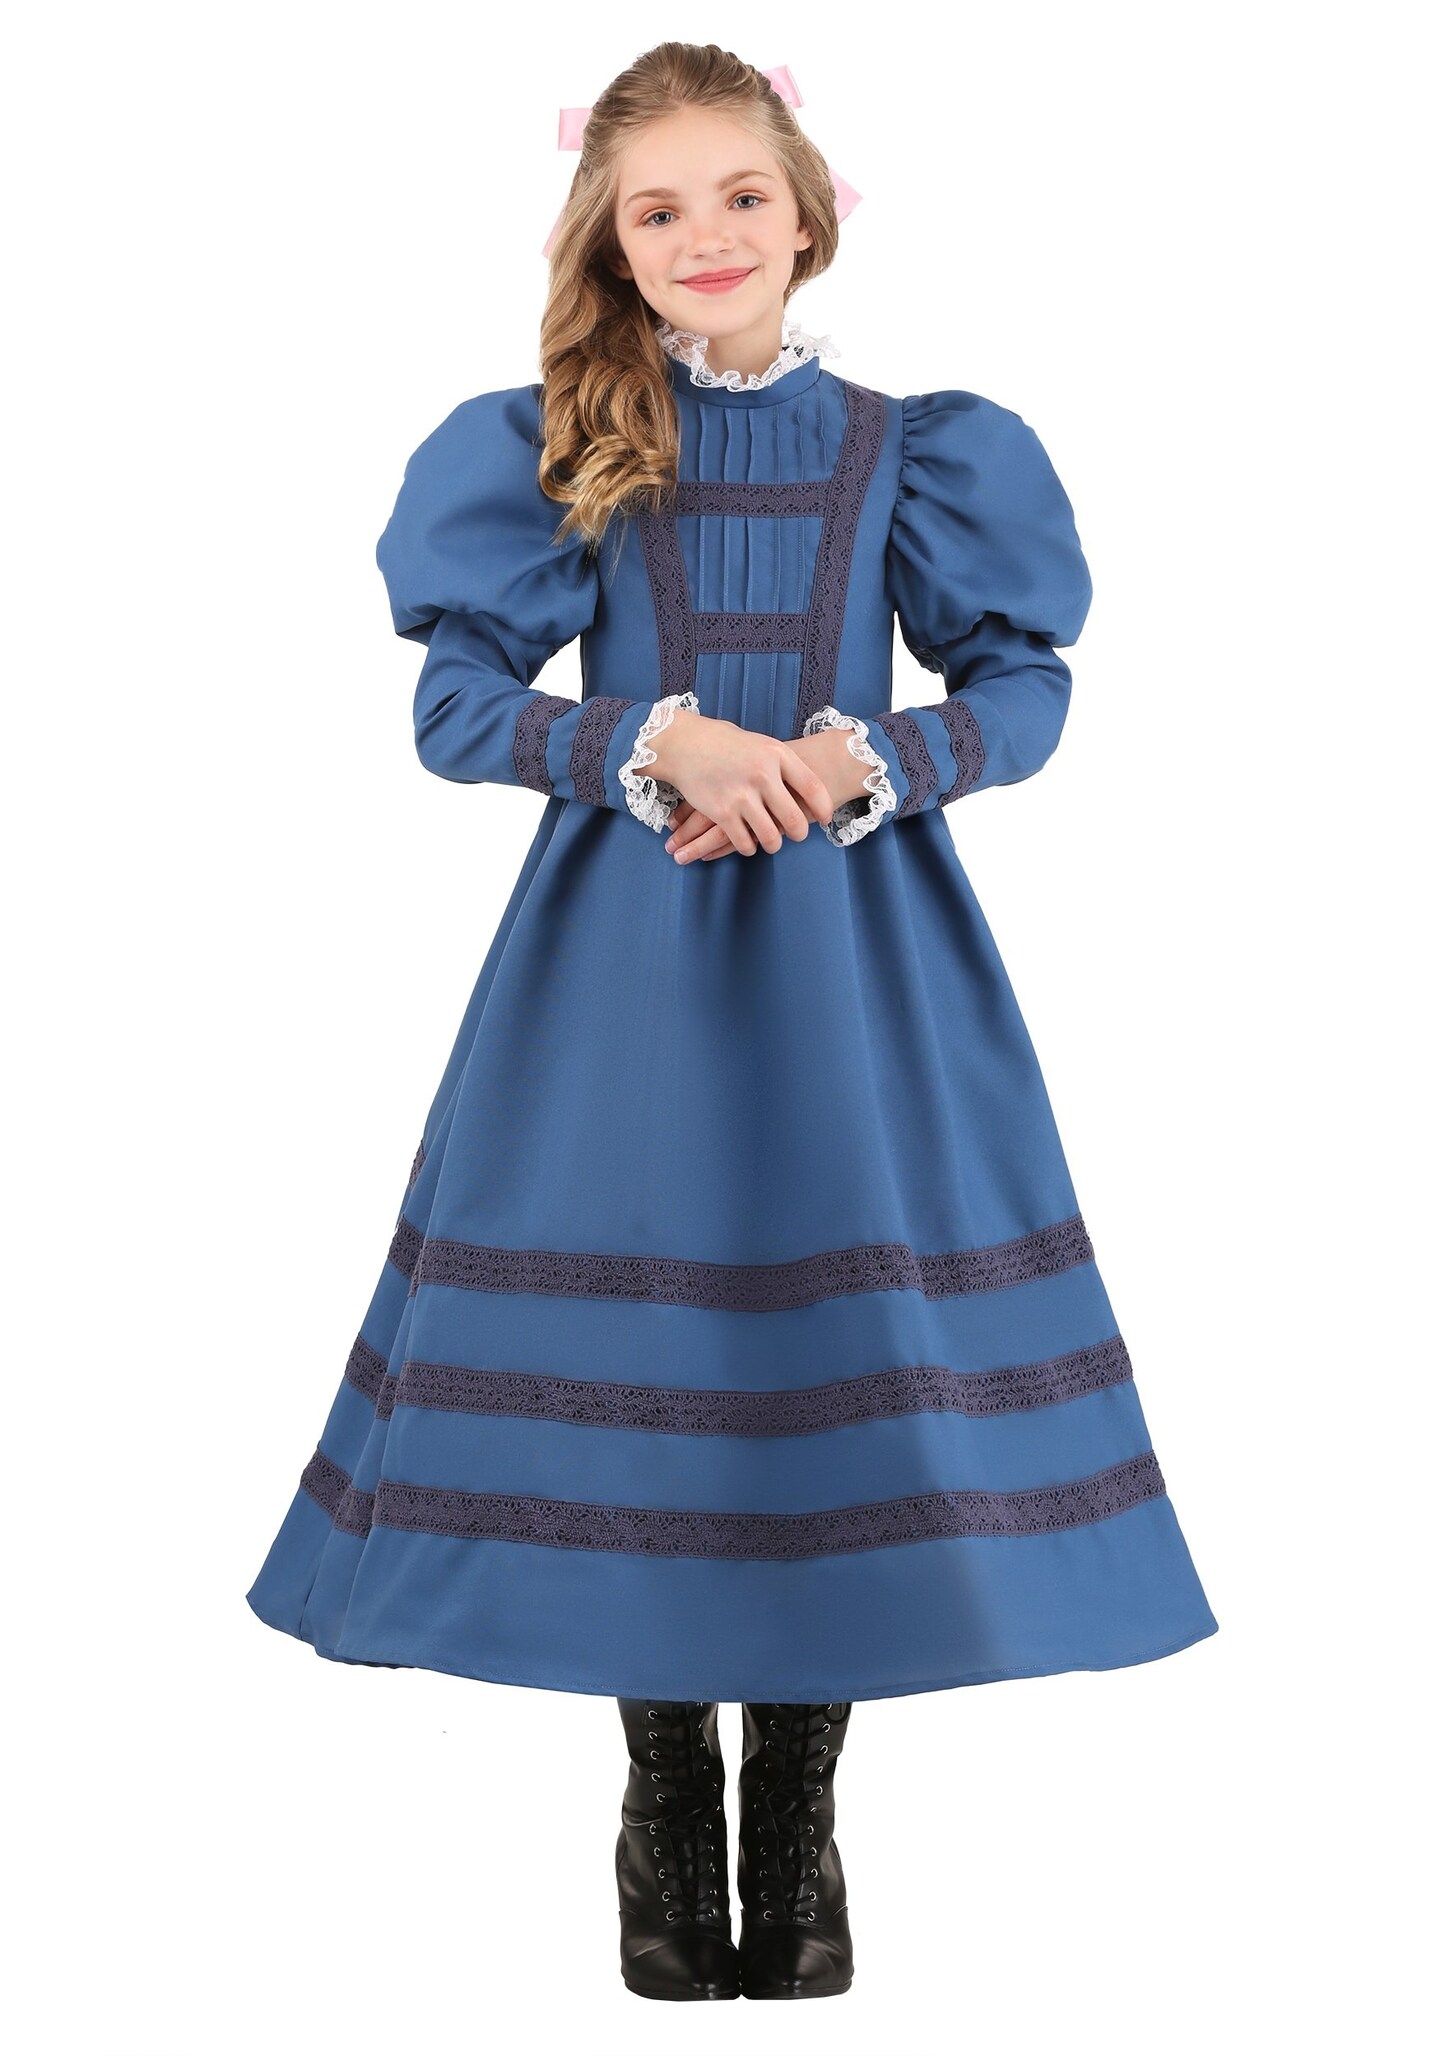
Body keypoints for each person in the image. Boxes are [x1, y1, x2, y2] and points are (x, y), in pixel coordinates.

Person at [246, 39, 1219, 2004]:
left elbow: (1028, 686)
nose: (707, 235)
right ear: (609, 239)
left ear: (813, 210)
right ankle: (664, 1794)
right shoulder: (565, 442)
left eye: (741, 195)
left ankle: (800, 1805)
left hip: (861, 958)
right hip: (623, 964)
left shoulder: (911, 449)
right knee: (656, 1357)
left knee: (836, 1349)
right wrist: (651, 737)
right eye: (659, 208)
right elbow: (455, 705)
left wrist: (876, 758)